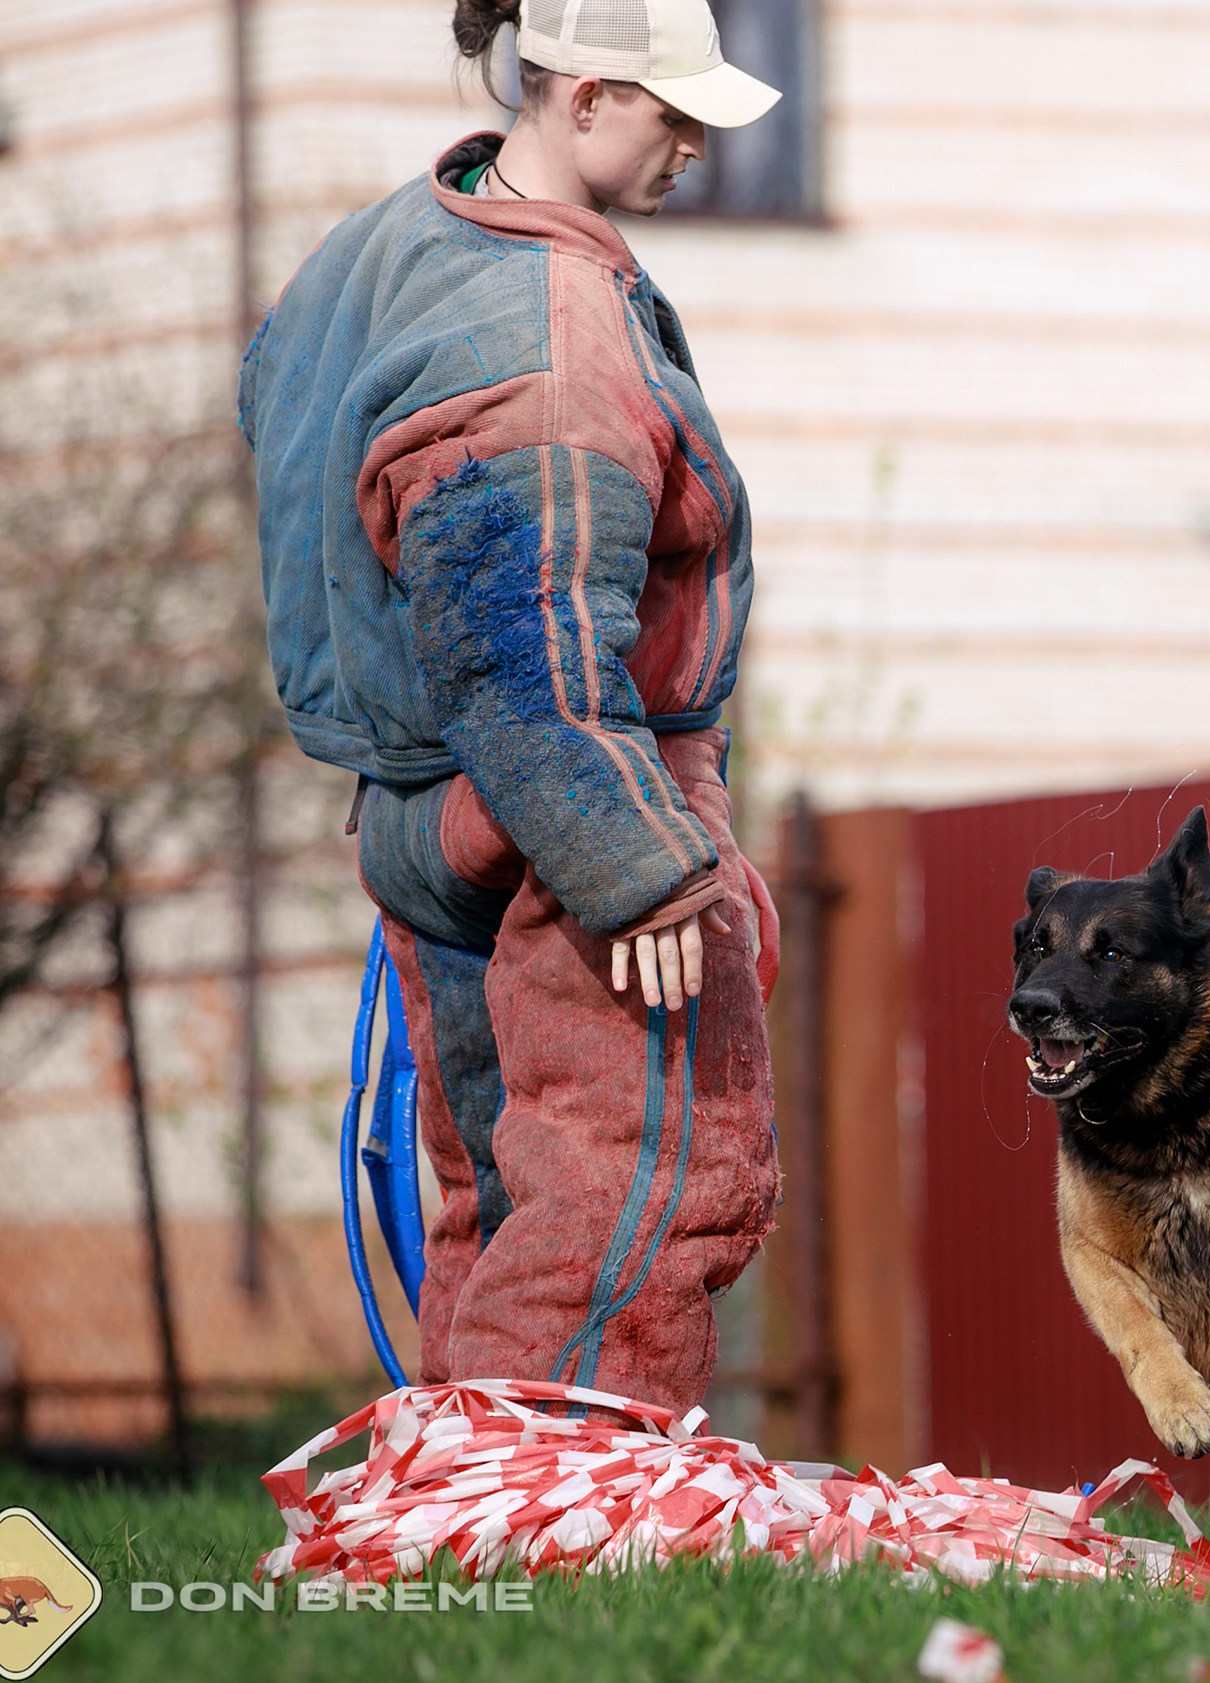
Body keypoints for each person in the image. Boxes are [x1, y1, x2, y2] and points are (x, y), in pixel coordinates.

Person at [239, 0, 786, 1415]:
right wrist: (646, 872)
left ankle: (464, 1509)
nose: (693, 150)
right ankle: (572, 1509)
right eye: (674, 116)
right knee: (646, 1183)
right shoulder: (541, 331)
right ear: (585, 95)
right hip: (570, 818)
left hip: (433, 813)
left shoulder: (386, 249)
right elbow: (520, 652)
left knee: (495, 1194)